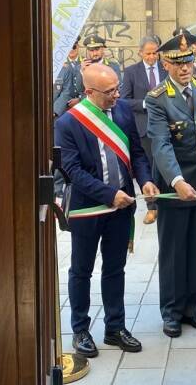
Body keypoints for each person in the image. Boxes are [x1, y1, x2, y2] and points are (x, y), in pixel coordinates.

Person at [54, 63, 159, 358]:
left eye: (116, 88)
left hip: (121, 208)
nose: (117, 95)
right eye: (109, 91)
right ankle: (80, 330)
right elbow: (72, 171)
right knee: (81, 270)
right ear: (89, 92)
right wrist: (110, 194)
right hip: (88, 208)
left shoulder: (124, 110)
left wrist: (146, 180)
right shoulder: (69, 123)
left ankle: (115, 327)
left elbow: (136, 153)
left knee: (115, 269)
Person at [146, 32, 196, 338]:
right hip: (174, 185)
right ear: (166, 63)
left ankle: (192, 306)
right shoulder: (157, 99)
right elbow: (161, 144)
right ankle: (172, 311)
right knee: (174, 250)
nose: (185, 68)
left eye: (188, 61)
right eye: (178, 63)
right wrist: (176, 181)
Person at [119, 36, 166, 224]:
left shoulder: (166, 69)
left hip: (165, 127)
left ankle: (166, 203)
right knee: (147, 169)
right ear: (140, 53)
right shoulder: (131, 72)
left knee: (164, 166)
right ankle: (152, 207)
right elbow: (124, 100)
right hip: (142, 128)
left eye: (155, 53)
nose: (152, 56)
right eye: (148, 53)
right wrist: (146, 103)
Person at [72, 34, 124, 99]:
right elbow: (79, 90)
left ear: (103, 49)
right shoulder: (81, 67)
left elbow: (118, 87)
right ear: (87, 51)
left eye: (97, 50)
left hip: (108, 101)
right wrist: (82, 71)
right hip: (89, 103)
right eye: (91, 50)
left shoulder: (113, 66)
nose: (95, 53)